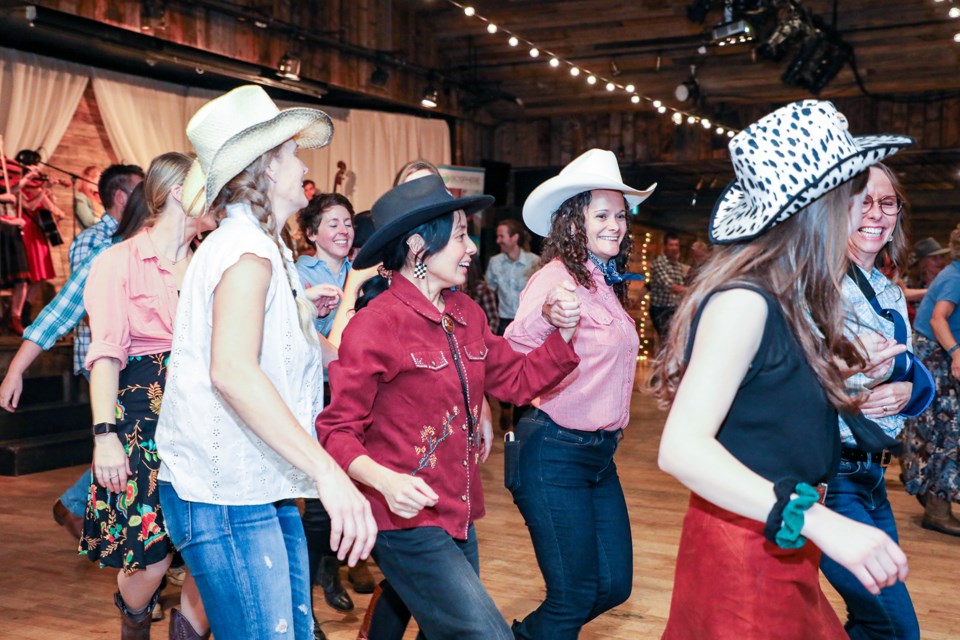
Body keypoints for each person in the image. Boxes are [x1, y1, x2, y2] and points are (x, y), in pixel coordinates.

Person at [654, 100, 914, 638]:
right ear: (818, 208)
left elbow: (767, 407)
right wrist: (821, 520)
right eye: (852, 198)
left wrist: (840, 372)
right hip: (745, 548)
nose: (861, 215)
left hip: (781, 537)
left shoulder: (788, 298)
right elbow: (680, 447)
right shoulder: (745, 302)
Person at [315, 174, 582, 639]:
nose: (472, 247)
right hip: (403, 520)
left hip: (457, 511)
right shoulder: (375, 326)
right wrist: (384, 480)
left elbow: (516, 381)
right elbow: (335, 430)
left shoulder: (465, 314)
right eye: (460, 235)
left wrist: (563, 334)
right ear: (419, 244)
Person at [155, 85, 376, 640]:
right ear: (266, 170)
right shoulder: (246, 252)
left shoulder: (264, 248)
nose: (304, 166)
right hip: (226, 490)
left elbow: (282, 357)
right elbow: (232, 371)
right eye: (292, 154)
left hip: (261, 483)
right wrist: (328, 471)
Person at [504, 148, 654, 639]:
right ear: (573, 222)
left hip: (598, 455)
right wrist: (547, 319)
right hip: (553, 451)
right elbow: (512, 353)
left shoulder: (602, 281)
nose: (617, 225)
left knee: (612, 586)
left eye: (620, 215)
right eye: (603, 215)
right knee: (571, 598)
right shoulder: (554, 280)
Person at [80, 152, 212, 639]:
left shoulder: (212, 262)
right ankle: (134, 623)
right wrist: (104, 436)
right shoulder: (118, 262)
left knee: (207, 550)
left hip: (207, 417)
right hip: (142, 421)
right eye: (208, 186)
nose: (218, 196)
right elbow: (107, 357)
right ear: (180, 192)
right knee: (151, 559)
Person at [820, 162, 934, 640]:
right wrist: (843, 377)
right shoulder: (817, 281)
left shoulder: (887, 287)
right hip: (832, 478)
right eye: (862, 201)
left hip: (873, 478)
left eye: (887, 203)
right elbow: (788, 374)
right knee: (896, 628)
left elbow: (910, 368)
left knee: (873, 621)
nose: (876, 213)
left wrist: (911, 390)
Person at [0, 163, 144, 539]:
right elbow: (73, 305)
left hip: (141, 368)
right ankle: (82, 509)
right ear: (123, 197)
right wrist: (15, 369)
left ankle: (110, 524)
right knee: (119, 443)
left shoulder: (174, 251)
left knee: (128, 447)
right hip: (101, 359)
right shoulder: (100, 245)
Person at [900, 223, 960, 535]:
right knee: (946, 432)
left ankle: (932, 497)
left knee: (939, 431)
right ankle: (937, 510)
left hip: (936, 357)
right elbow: (938, 319)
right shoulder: (956, 276)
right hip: (937, 357)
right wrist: (956, 351)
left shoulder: (953, 272)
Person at [486, 218, 539, 428]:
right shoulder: (494, 263)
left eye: (502, 236)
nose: (498, 240)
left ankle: (519, 417)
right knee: (501, 369)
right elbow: (490, 290)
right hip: (504, 323)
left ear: (514, 237)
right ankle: (506, 408)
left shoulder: (535, 262)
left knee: (525, 369)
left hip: (527, 324)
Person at [296, 192, 353, 337]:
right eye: (334, 225)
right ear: (311, 234)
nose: (344, 231)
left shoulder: (358, 271)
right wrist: (320, 317)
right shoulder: (298, 275)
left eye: (348, 224)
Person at [649, 232, 687, 339]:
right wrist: (693, 290)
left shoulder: (677, 264)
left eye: (676, 245)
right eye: (671, 245)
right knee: (668, 339)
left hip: (673, 308)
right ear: (665, 246)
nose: (674, 248)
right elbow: (672, 287)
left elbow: (680, 285)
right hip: (661, 310)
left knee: (675, 339)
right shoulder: (659, 263)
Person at [75, 165, 103, 229]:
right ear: (90, 179)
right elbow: (89, 222)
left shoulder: (98, 199)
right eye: (99, 179)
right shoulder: (80, 198)